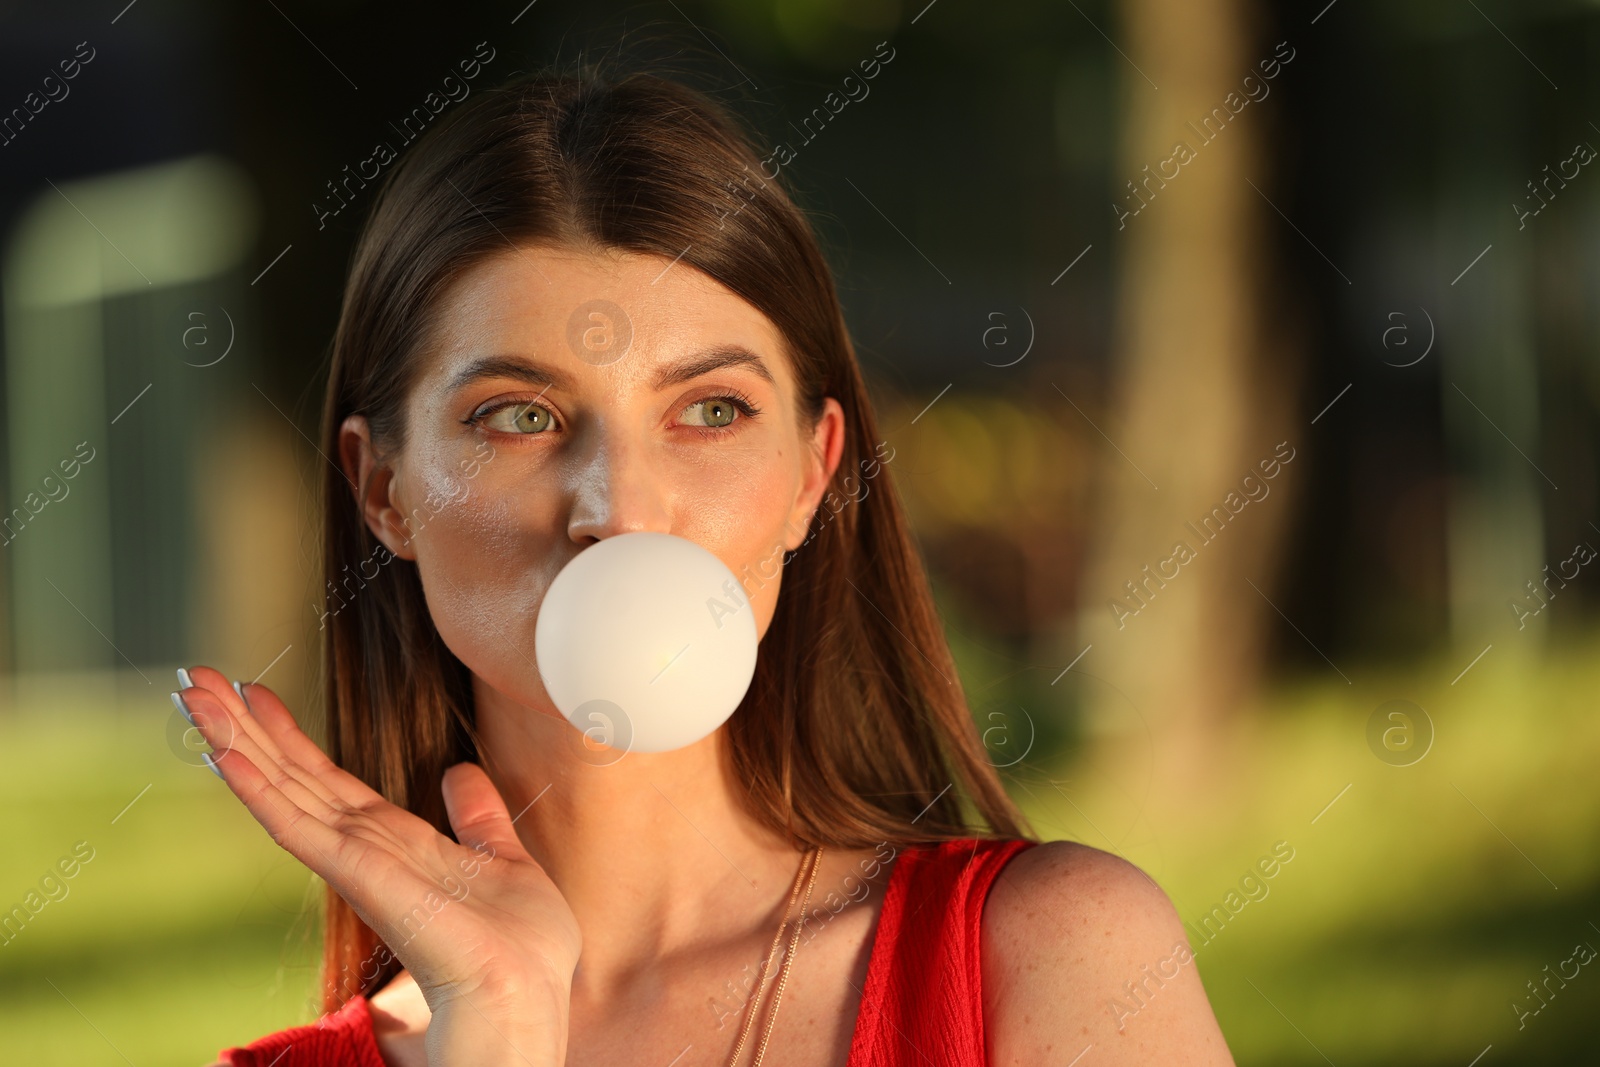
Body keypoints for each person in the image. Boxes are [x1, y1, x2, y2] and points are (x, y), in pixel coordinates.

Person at [175, 62, 1234, 1067]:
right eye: (520, 415)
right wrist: (496, 1021)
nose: (622, 507)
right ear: (382, 491)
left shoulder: (1057, 954)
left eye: (710, 410)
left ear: (812, 473)